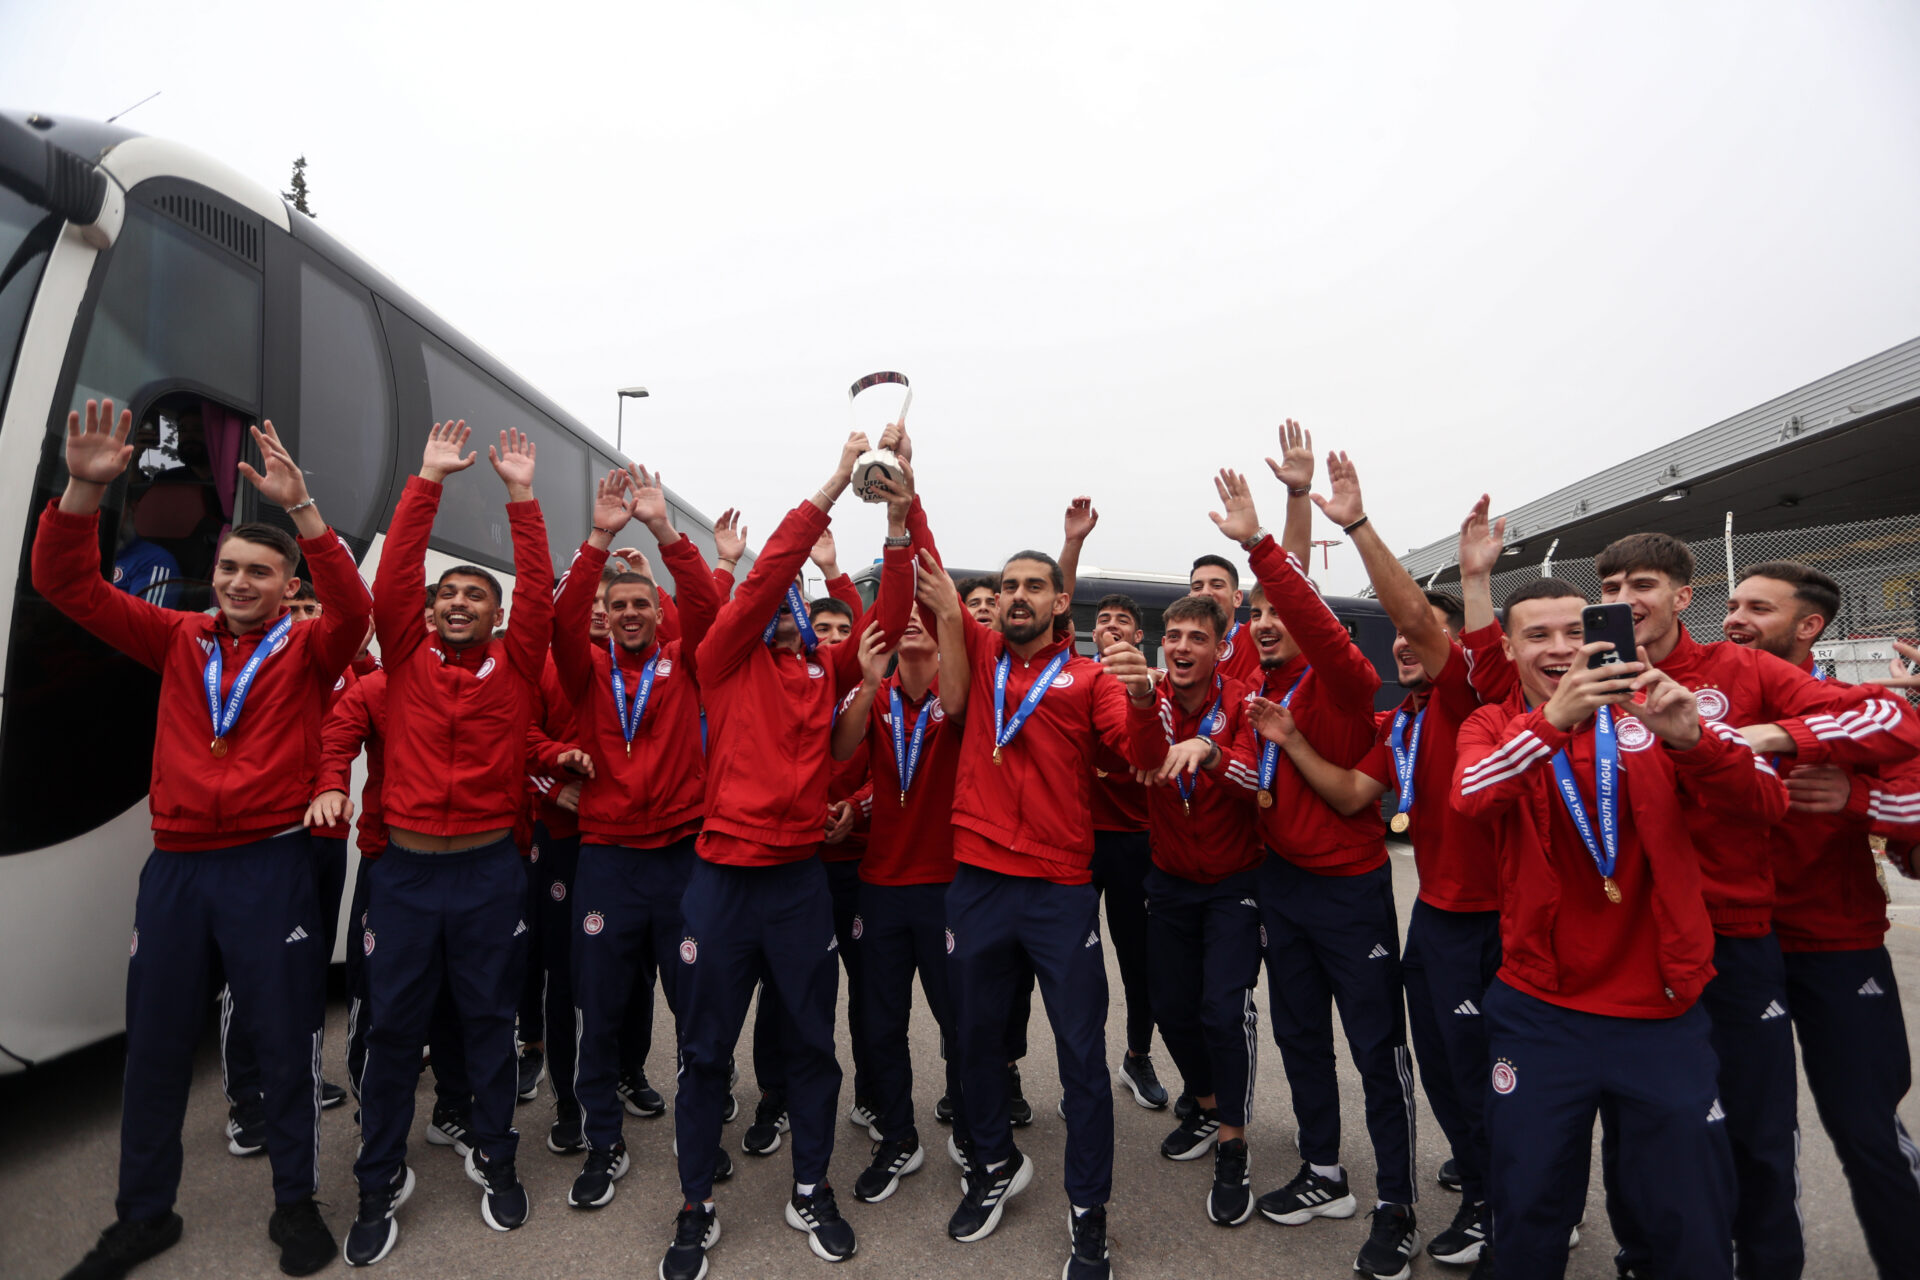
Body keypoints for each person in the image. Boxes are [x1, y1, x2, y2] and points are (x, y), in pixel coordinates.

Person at [44, 401, 371, 1280]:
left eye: (259, 572)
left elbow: (354, 606)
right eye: (228, 567)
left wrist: (304, 510)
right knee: (154, 1049)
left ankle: (295, 1205)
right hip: (178, 872)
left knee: (284, 1042)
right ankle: (143, 1216)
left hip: (270, 865)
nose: (238, 582)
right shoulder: (177, 636)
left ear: (285, 585)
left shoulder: (313, 648)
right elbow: (68, 587)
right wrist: (82, 491)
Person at [1595, 532, 1920, 1280]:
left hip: (1820, 939)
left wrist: (1817, 770)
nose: (1736, 619)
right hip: (1690, 938)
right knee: (1675, 1121)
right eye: (1609, 588)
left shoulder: (1749, 675)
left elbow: (1896, 728)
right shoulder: (1596, 679)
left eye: (1758, 608)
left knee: (1846, 1126)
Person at [1455, 576, 1790, 1278]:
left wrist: (1695, 741)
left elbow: (1768, 800)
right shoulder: (1492, 724)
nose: (1560, 649)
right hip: (1542, 1012)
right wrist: (1551, 723)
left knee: (1688, 1222)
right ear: (1508, 649)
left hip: (1663, 1014)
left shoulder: (1659, 705)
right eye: (1537, 635)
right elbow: (1472, 796)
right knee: (1528, 1212)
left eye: (1576, 632)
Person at [659, 431, 914, 1280]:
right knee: (704, 1051)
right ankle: (695, 1204)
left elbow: (888, 623)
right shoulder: (720, 661)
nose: (776, 610)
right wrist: (836, 481)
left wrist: (898, 519)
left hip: (800, 885)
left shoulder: (820, 674)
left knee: (812, 1045)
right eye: (767, 602)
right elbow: (768, 570)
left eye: (789, 605)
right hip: (723, 882)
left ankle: (811, 1188)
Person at [1255, 461, 1517, 1268]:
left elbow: (1369, 616)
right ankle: (1343, 1174)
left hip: (1470, 914)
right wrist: (1289, 742)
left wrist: (1349, 524)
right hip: (1420, 911)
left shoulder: (1464, 695)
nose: (1404, 641)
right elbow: (1351, 793)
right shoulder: (1397, 719)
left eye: (1419, 634)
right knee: (1408, 1059)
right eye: (1400, 635)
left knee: (1426, 1061)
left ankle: (1432, 1203)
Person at [344, 421, 553, 1266]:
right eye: (447, 596)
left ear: (497, 615)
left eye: (476, 596)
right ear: (429, 613)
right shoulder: (403, 658)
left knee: (488, 1022)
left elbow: (540, 592)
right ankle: (376, 1181)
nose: (459, 603)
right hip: (403, 875)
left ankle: (497, 1159)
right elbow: (392, 579)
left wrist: (520, 496)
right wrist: (426, 482)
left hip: (488, 874)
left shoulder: (520, 664)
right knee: (393, 1029)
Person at [933, 523, 1165, 1280]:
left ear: (1061, 602)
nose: (1017, 597)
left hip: (1059, 891)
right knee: (973, 1041)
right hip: (977, 882)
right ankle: (994, 1164)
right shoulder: (982, 653)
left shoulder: (1091, 679)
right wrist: (904, 497)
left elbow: (1143, 758)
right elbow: (932, 573)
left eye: (1034, 586)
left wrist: (1142, 699)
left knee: (1080, 1058)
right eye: (1008, 587)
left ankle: (1088, 1210)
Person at [1209, 464, 1421, 1280]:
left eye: (1277, 612)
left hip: (1348, 892)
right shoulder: (1259, 686)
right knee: (1299, 1037)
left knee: (1375, 1050)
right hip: (1282, 886)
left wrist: (1265, 541)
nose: (1264, 624)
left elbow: (1311, 617)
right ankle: (1324, 1172)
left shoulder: (1343, 680)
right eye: (1255, 614)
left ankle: (1396, 1205)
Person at [1726, 561, 1920, 1278]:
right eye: (1734, 604)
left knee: (1867, 1129)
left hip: (1839, 948)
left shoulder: (1858, 710)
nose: (1734, 618)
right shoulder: (1705, 703)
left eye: (1758, 608)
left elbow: (1914, 823)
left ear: (1810, 626)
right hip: (1734, 947)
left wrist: (1857, 798)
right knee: (1754, 1133)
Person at [548, 466, 725, 1209]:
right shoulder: (585, 669)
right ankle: (603, 1142)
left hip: (680, 860)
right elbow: (559, 621)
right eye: (616, 605)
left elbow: (711, 609)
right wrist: (598, 538)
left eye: (639, 604)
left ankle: (699, 1132)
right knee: (600, 1006)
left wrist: (662, 531)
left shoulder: (686, 664)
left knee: (695, 1006)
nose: (627, 614)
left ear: (659, 612)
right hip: (608, 859)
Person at [828, 501, 972, 1204]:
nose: (912, 617)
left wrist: (908, 506)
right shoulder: (876, 697)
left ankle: (973, 1132)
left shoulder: (959, 696)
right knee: (878, 1021)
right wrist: (866, 679)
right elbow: (842, 750)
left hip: (946, 886)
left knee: (959, 1021)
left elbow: (935, 584)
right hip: (880, 884)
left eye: (925, 612)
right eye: (903, 613)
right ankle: (897, 1137)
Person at [1128, 594, 1265, 1226]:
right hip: (1170, 881)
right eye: (1174, 636)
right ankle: (1207, 1106)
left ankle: (1233, 1141)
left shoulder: (1243, 701)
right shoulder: (1150, 698)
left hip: (1234, 883)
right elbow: (1138, 757)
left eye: (1197, 638)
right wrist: (1138, 701)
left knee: (1222, 1011)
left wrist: (1212, 754)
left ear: (1219, 647)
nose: (1182, 647)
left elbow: (1258, 782)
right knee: (1171, 1008)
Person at [1083, 592, 1169, 1111]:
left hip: (1135, 842)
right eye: (1102, 619)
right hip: (1079, 840)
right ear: (1092, 634)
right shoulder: (1072, 681)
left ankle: (1137, 1056)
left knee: (1139, 960)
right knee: (1077, 964)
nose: (1111, 625)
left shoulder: (1155, 687)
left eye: (1123, 620)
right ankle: (1083, 1071)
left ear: (1139, 637)